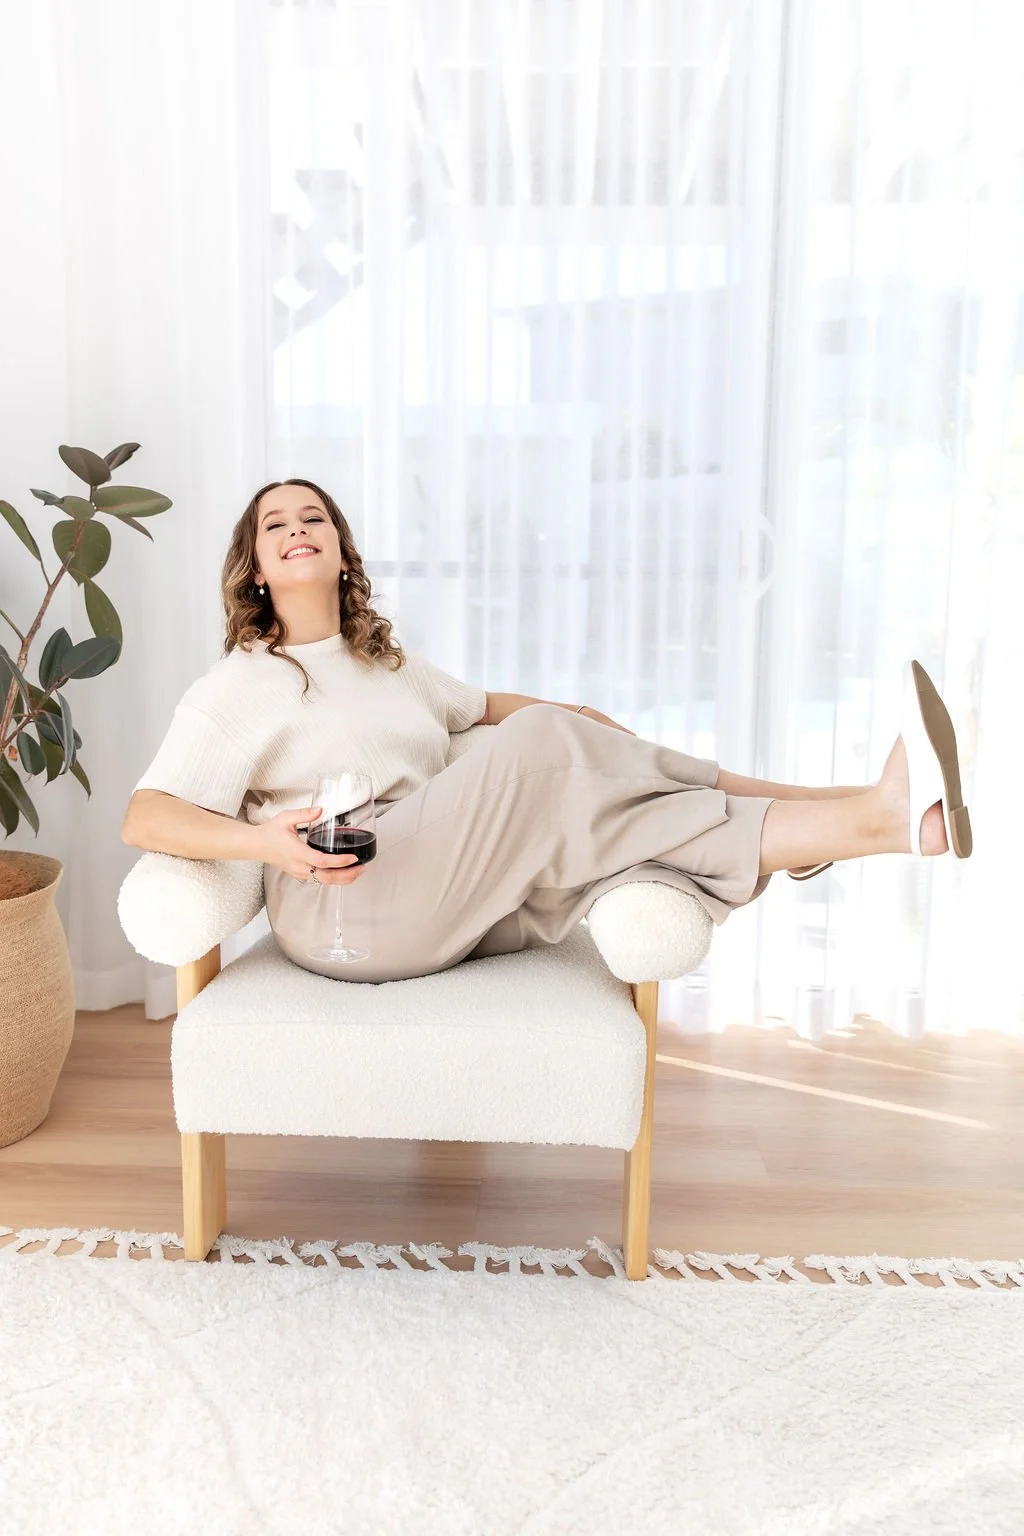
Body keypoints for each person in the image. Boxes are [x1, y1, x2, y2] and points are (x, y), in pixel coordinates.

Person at [121, 477, 970, 984]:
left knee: (602, 805)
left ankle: (880, 819)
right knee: (546, 748)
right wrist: (268, 846)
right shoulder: (239, 685)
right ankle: (850, 809)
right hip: (340, 907)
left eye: (314, 518)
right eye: (276, 526)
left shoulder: (387, 664)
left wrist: (585, 722)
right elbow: (145, 816)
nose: (297, 529)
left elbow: (484, 706)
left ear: (342, 553)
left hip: (437, 891)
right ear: (258, 571)